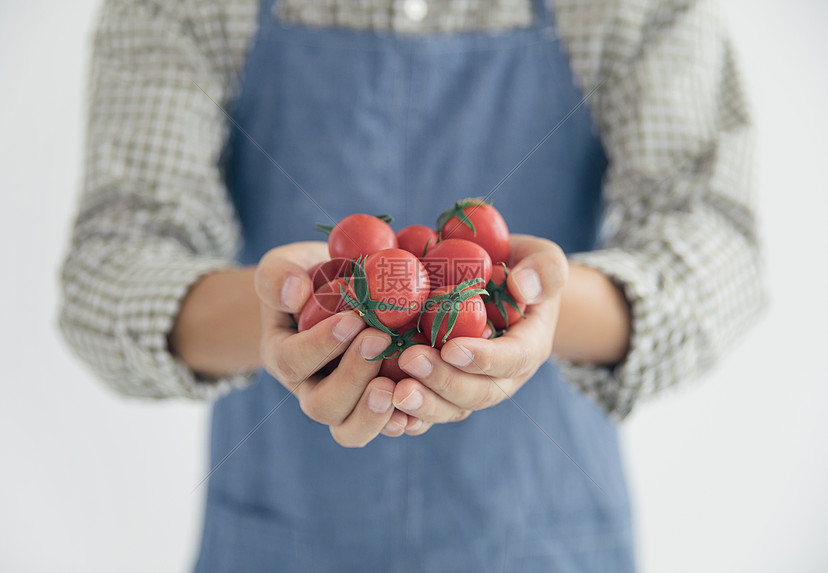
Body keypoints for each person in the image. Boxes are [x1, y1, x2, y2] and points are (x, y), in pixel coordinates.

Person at [58, 0, 767, 570]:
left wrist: (536, 304)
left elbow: (716, 249)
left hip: (547, 539)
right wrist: (281, 311)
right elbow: (110, 271)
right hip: (280, 535)